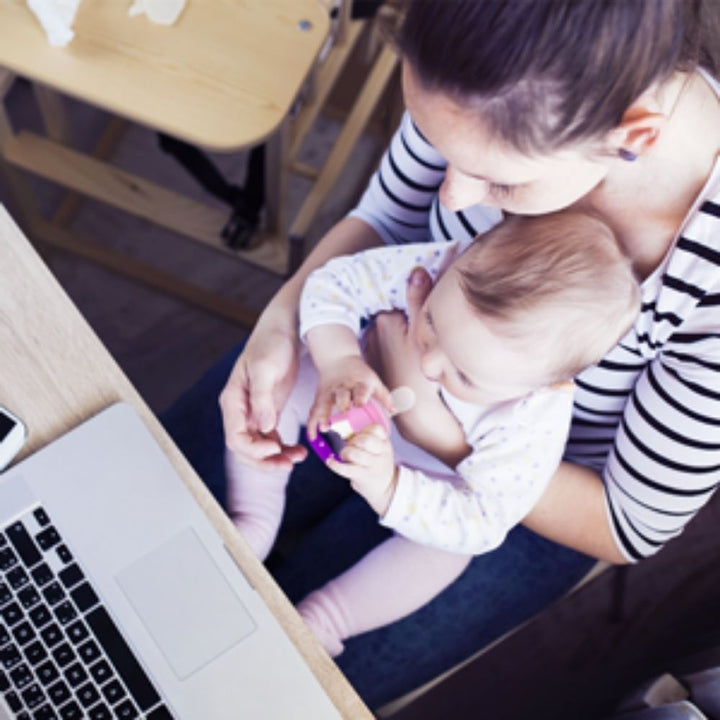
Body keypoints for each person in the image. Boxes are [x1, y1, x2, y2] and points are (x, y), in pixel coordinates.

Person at [161, 0, 720, 709]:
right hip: (360, 350)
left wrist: (437, 431)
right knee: (151, 521)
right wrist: (281, 323)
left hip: (521, 495)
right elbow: (388, 219)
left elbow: (627, 520)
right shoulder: (490, 61)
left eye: (501, 182)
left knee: (262, 687)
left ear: (632, 135)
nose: (454, 196)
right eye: (436, 144)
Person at [226, 211, 639, 656]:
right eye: (433, 325)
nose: (428, 365)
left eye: (464, 374)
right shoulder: (446, 263)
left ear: (546, 386)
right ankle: (253, 517)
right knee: (279, 391)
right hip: (358, 387)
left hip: (437, 474)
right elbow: (335, 283)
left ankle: (326, 620)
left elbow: (482, 520)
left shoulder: (535, 418)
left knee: (447, 552)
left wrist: (390, 487)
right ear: (461, 257)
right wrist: (339, 360)